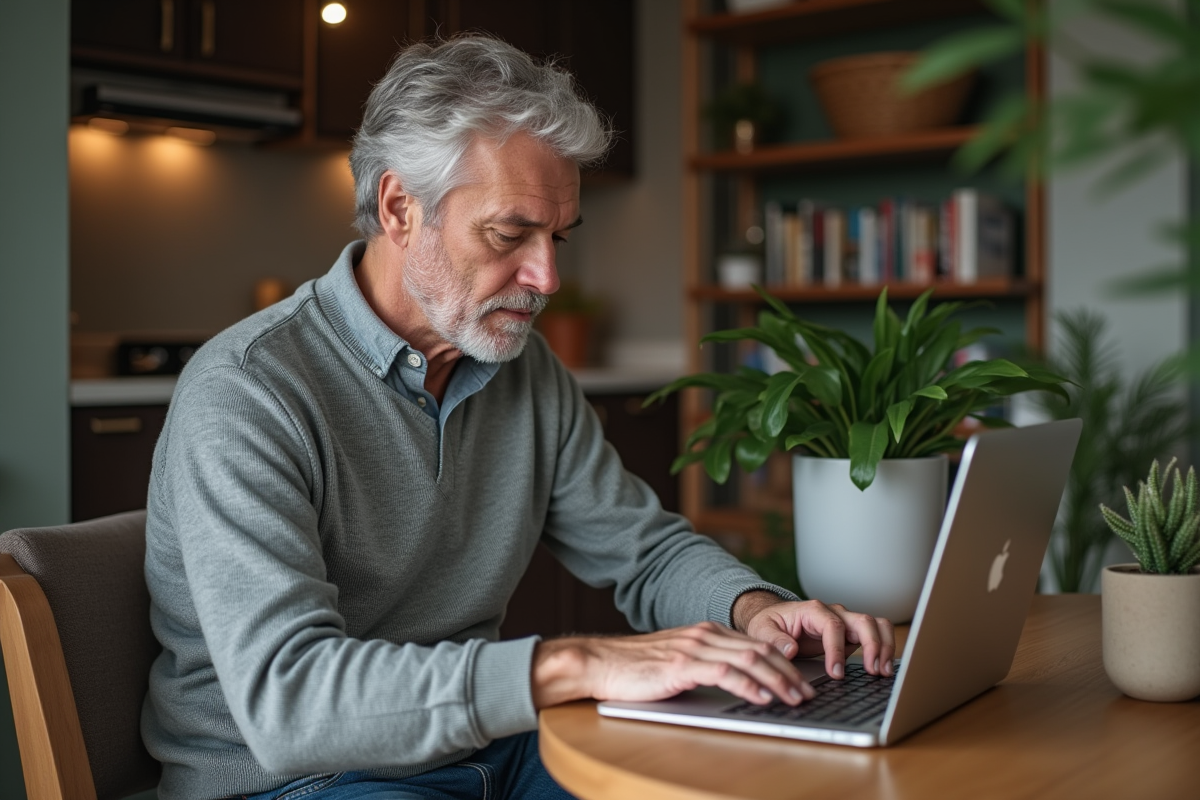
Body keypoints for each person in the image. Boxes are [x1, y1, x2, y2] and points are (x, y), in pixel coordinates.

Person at [141, 36, 895, 800]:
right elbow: (290, 702)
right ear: (401, 208)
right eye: (510, 235)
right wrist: (577, 664)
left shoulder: (522, 370)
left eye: (558, 237)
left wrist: (753, 609)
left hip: (488, 748)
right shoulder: (249, 392)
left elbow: (641, 550)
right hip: (299, 779)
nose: (548, 277)